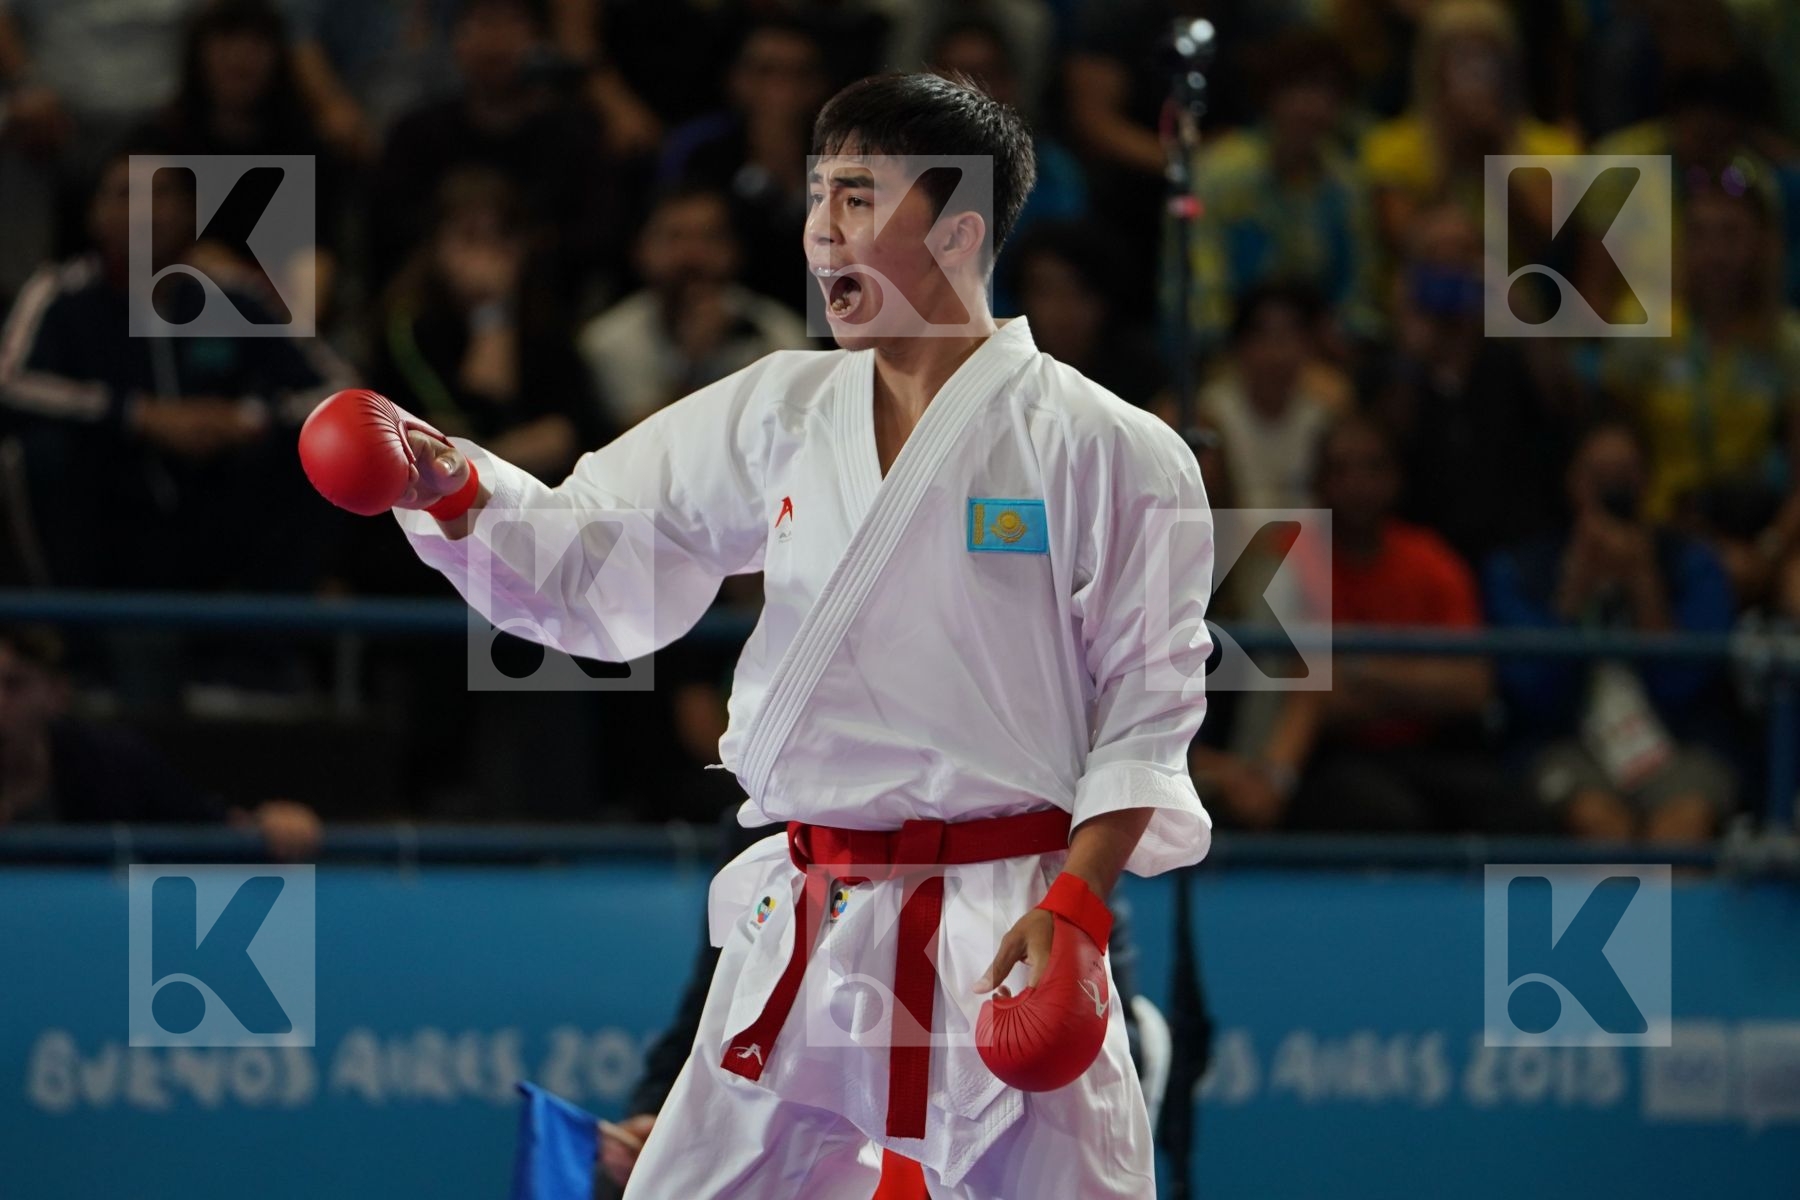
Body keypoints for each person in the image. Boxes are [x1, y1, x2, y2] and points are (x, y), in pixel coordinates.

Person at [347, 72, 1211, 1197]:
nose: (820, 231)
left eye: (858, 198)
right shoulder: (778, 411)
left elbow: (1150, 702)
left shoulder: (1113, 447)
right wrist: (458, 486)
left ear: (957, 229)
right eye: (817, 198)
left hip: (1009, 912)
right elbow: (598, 546)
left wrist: (1081, 906)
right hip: (814, 914)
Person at [0, 147, 353, 591]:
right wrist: (137, 414)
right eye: (125, 193)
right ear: (94, 214)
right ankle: (67, 638)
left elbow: (339, 387)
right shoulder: (59, 293)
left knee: (323, 449)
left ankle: (266, 642)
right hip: (106, 502)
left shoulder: (235, 294)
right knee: (37, 453)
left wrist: (248, 418)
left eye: (161, 193)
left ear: (190, 212)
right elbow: (9, 385)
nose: (144, 209)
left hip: (221, 496)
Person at [1195, 414, 1530, 834]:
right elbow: (1313, 692)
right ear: (1319, 481)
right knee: (1384, 815)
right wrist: (1409, 683)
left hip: (1428, 747)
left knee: (1513, 810)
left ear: (1397, 478)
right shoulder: (1286, 558)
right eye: (1341, 469)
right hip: (1327, 756)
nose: (1357, 484)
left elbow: (1472, 688)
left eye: (1373, 467)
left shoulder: (1432, 561)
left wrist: (1358, 670)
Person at [1484, 421, 1736, 843]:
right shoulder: (1520, 569)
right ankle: (1616, 911)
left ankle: (1670, 910)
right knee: (1598, 824)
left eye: (1624, 476)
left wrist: (1645, 585)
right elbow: (1532, 691)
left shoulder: (1693, 564)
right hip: (1566, 742)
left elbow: (1688, 686)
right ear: (1571, 481)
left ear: (1647, 479)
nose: (1611, 491)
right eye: (1597, 477)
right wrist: (1572, 593)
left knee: (1682, 828)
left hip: (1678, 741)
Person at [0, 626, 321, 859]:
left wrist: (271, 825)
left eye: (14, 685)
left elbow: (209, 832)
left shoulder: (113, 761)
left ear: (57, 694)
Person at [578, 184, 809, 430]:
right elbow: (634, 449)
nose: (693, 255)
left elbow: (802, 433)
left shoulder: (777, 333)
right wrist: (692, 365)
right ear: (640, 250)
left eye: (710, 237)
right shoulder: (608, 341)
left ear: (735, 250)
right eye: (674, 237)